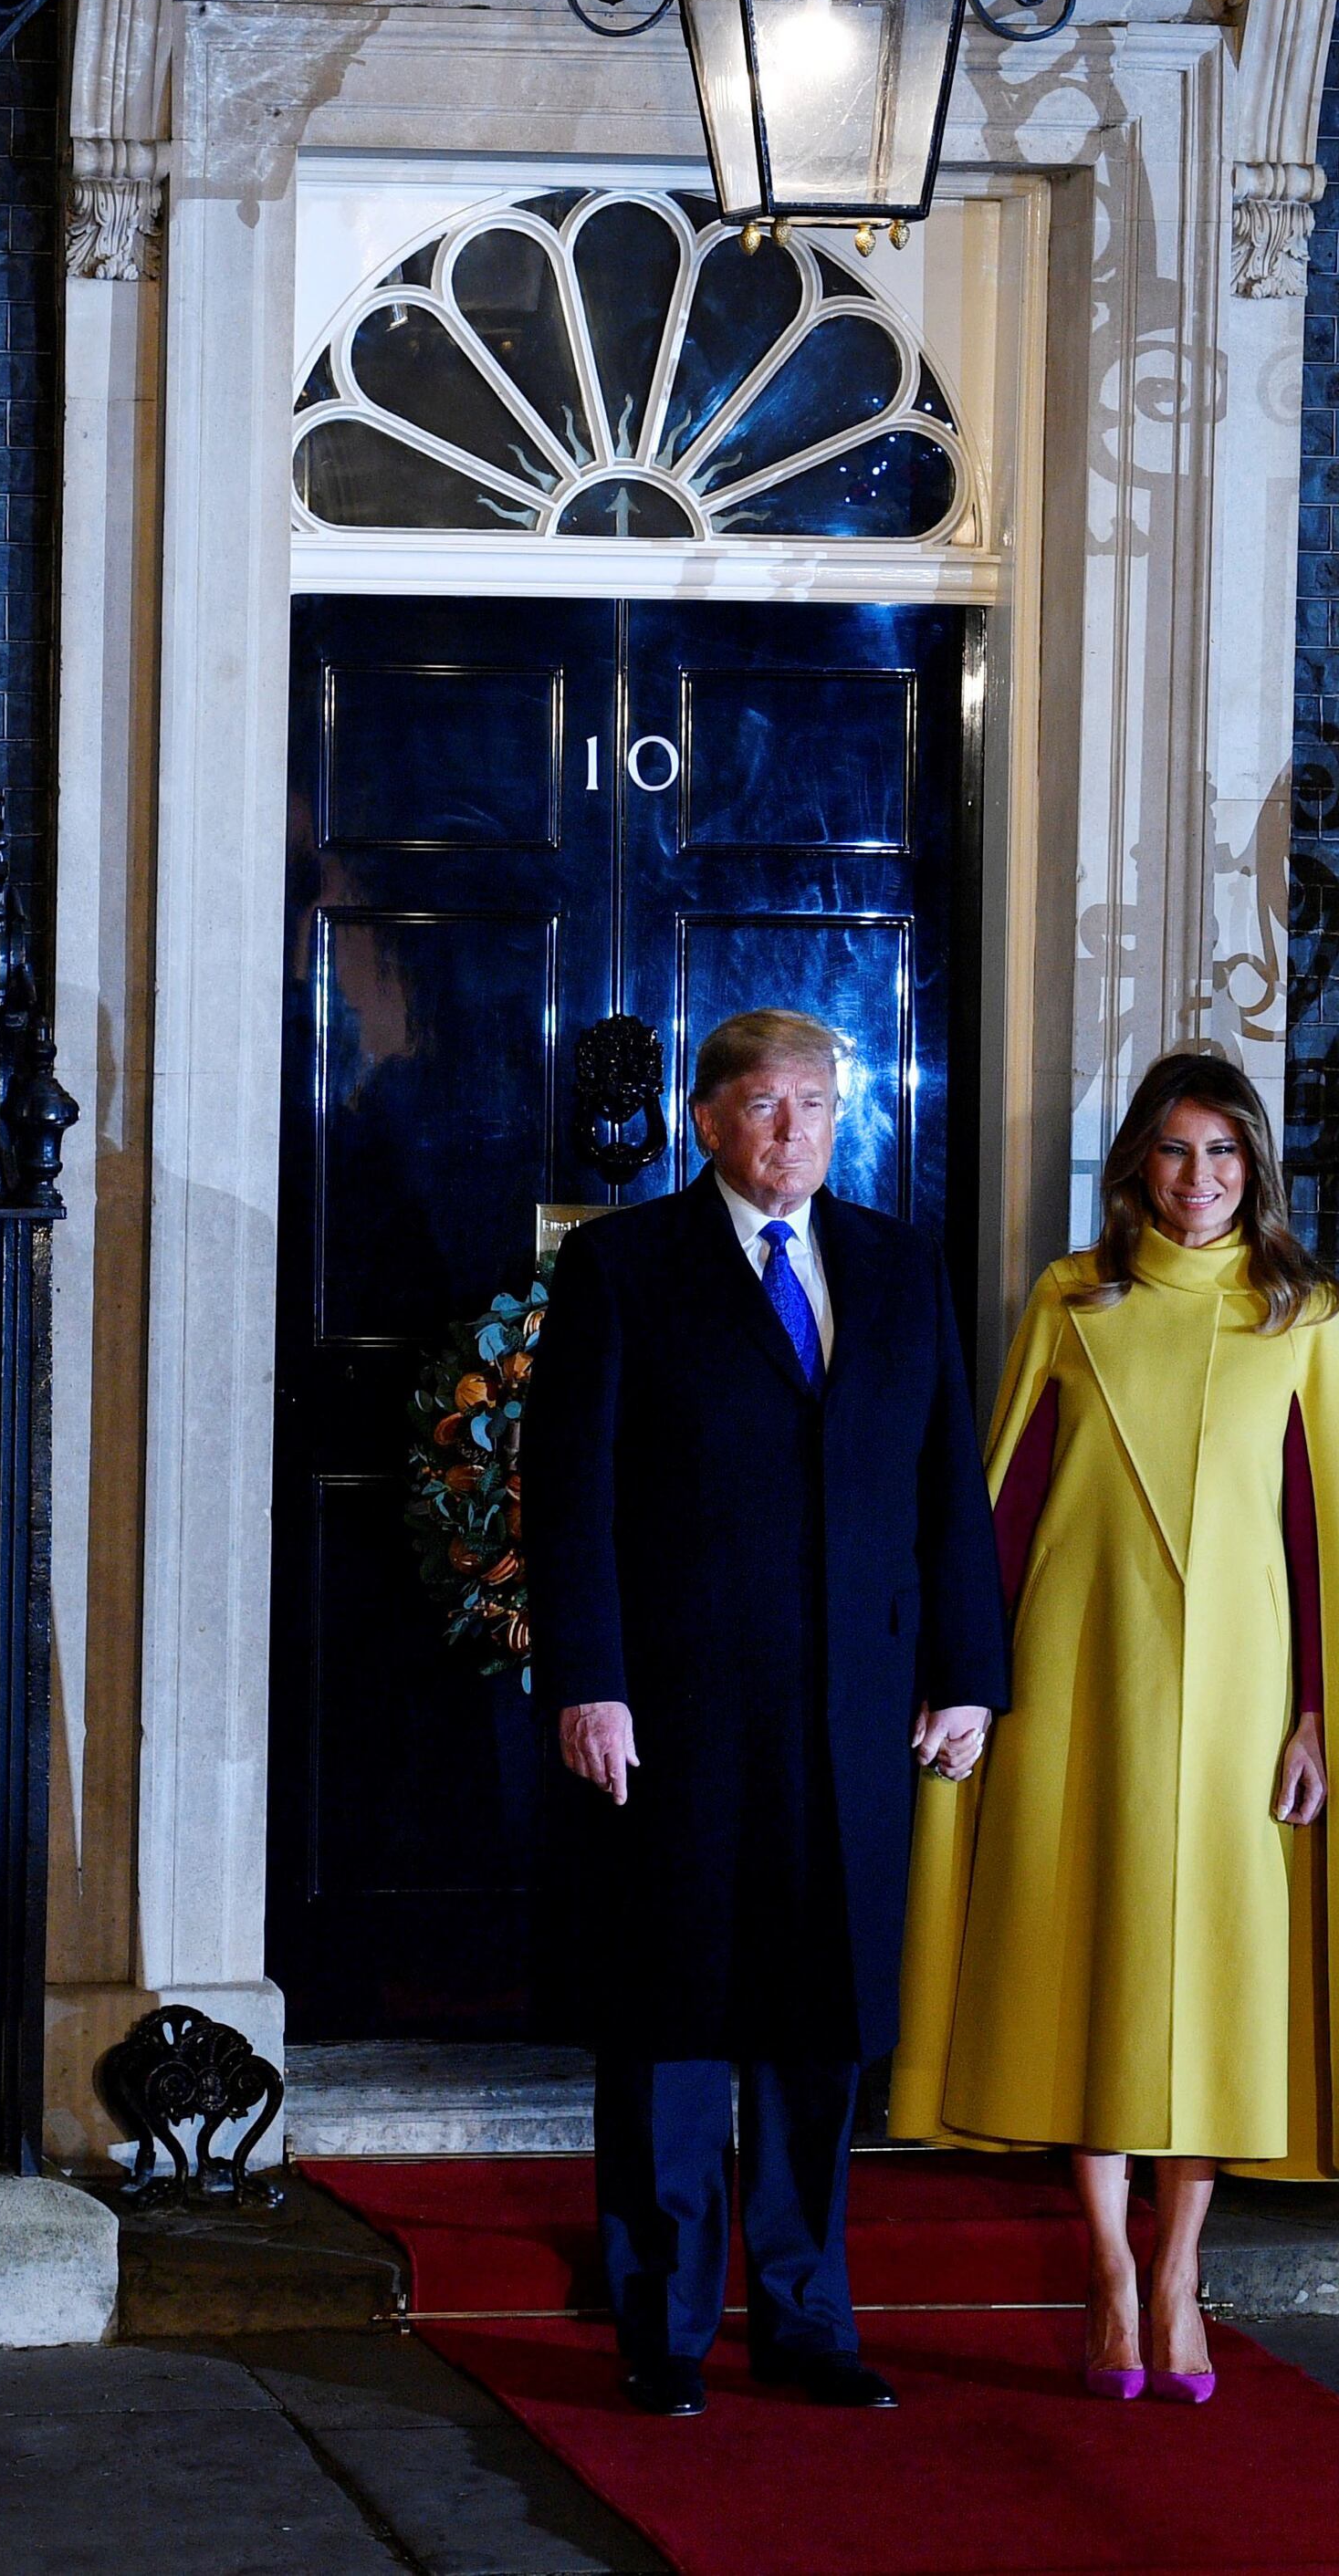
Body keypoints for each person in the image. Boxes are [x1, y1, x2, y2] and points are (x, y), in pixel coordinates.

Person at [888, 1048, 1339, 2402]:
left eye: (1225, 1155)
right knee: (1099, 1964)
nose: (1201, 1180)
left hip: (1243, 1698)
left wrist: (1319, 1716)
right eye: (1178, 1153)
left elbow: (1324, 1540)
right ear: (1139, 1163)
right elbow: (1003, 1509)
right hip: (1083, 1676)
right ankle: (1109, 2269)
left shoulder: (1304, 1314)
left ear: (1257, 1168)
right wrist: (971, 1681)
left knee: (1214, 1986)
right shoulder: (1074, 1298)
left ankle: (1180, 2266)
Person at [527, 1007, 1011, 2418]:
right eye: (762, 1104)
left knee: (819, 2023)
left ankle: (804, 2319)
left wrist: (969, 1673)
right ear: (706, 1121)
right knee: (674, 2019)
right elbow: (569, 1496)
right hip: (677, 1716)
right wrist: (590, 1681)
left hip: (853, 1716)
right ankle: (664, 2327)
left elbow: (946, 1487)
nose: (791, 1129)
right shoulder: (626, 1268)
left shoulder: (896, 1265)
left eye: (813, 1103)